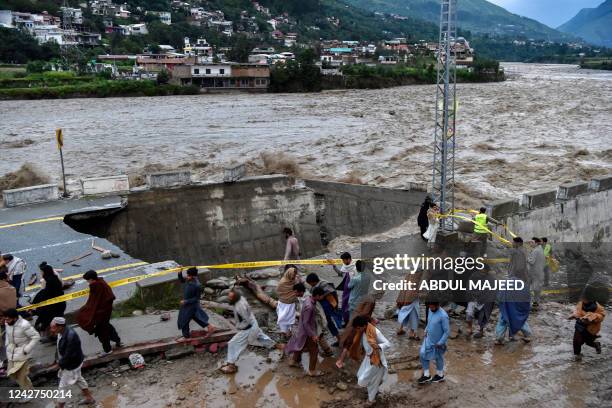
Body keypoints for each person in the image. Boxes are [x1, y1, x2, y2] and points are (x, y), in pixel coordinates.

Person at [220, 288, 279, 374]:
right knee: (260, 336)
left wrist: (240, 328)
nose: (229, 299)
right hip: (253, 323)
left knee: (233, 343)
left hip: (249, 327)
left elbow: (246, 321)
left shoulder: (240, 306)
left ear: (235, 297)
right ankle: (276, 345)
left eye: (230, 298)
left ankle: (231, 366)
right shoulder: (241, 299)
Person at [50, 317, 95, 406]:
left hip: (71, 364)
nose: (51, 330)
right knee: (78, 379)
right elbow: (59, 348)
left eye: (53, 327)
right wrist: (56, 360)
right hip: (72, 361)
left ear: (60, 327)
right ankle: (89, 398)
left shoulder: (71, 336)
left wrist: (59, 364)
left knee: (62, 387)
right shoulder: (61, 333)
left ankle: (60, 406)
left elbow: (69, 355)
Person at [76, 270, 122, 356]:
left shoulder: (96, 287)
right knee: (107, 327)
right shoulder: (102, 283)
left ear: (92, 279)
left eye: (88, 280)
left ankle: (107, 350)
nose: (88, 283)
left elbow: (94, 302)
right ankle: (117, 341)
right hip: (105, 312)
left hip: (101, 313)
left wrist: (94, 313)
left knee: (102, 331)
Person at [495, 237, 532, 344]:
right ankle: (525, 334)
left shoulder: (518, 253)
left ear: (518, 243)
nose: (511, 243)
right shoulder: (521, 253)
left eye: (513, 242)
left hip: (515, 284)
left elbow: (518, 269)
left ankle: (500, 337)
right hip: (518, 284)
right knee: (515, 313)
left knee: (506, 312)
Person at [285, 286, 326, 377]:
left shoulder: (308, 300)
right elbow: (306, 322)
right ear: (318, 296)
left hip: (303, 331)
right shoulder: (310, 306)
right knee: (314, 350)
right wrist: (313, 335)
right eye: (322, 296)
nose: (323, 297)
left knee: (300, 346)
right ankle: (312, 371)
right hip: (308, 332)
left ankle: (293, 361)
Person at [351, 315, 391, 403]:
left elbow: (388, 344)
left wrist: (378, 347)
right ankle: (374, 391)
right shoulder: (364, 331)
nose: (357, 331)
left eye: (358, 328)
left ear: (364, 326)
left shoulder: (375, 332)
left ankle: (371, 400)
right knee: (360, 375)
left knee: (368, 381)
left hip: (376, 360)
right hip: (368, 358)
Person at [336, 295, 377, 369]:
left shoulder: (366, 297)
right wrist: (372, 320)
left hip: (354, 320)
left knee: (349, 341)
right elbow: (365, 313)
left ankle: (342, 360)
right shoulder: (371, 301)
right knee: (351, 342)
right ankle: (341, 361)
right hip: (358, 323)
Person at [4, 308, 39, 389]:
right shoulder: (7, 324)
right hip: (11, 353)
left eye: (8, 319)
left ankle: (28, 392)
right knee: (12, 374)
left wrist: (27, 349)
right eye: (5, 319)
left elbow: (36, 336)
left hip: (22, 354)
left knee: (21, 376)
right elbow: (7, 335)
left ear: (15, 318)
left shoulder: (24, 325)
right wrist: (7, 344)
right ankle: (29, 388)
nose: (6, 321)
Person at [31, 262, 66, 342]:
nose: (41, 273)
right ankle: (52, 336)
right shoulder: (53, 278)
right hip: (57, 304)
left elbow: (46, 293)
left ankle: (53, 337)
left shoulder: (49, 281)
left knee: (49, 320)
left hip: (54, 306)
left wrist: (35, 303)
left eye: (42, 272)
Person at [177, 267, 214, 340]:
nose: (187, 277)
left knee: (184, 319)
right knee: (197, 318)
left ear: (193, 276)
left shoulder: (197, 285)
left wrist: (185, 301)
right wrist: (179, 272)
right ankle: (210, 327)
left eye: (188, 275)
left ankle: (186, 336)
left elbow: (196, 298)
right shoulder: (189, 279)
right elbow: (181, 280)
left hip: (191, 305)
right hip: (187, 305)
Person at [305, 273, 342, 346]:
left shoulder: (323, 284)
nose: (311, 285)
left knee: (329, 322)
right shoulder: (316, 285)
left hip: (327, 306)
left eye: (311, 283)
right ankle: (339, 338)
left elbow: (332, 291)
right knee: (328, 323)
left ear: (313, 281)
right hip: (323, 306)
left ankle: (339, 339)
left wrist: (323, 297)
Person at [418, 302, 449, 384]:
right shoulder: (430, 309)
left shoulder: (443, 316)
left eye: (433, 307)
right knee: (422, 353)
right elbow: (429, 321)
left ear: (438, 305)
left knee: (438, 357)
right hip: (429, 338)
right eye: (430, 307)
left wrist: (440, 342)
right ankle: (427, 375)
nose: (431, 309)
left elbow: (447, 332)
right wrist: (426, 330)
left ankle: (440, 375)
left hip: (439, 342)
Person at [568, 291, 606, 360]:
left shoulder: (597, 307)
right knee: (576, 340)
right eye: (582, 297)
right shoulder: (580, 303)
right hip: (579, 324)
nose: (582, 299)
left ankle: (596, 345)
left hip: (590, 328)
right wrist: (574, 315)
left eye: (584, 298)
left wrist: (592, 317)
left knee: (588, 342)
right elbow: (577, 312)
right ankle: (577, 355)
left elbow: (602, 316)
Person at [276, 265, 302, 337]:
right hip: (283, 304)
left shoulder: (294, 280)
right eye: (293, 275)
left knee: (290, 319)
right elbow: (279, 292)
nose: (294, 277)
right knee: (283, 319)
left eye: (294, 275)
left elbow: (297, 290)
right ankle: (284, 333)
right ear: (289, 274)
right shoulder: (282, 283)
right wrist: (286, 297)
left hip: (291, 304)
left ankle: (289, 333)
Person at [333, 252, 357, 325]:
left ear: (349, 259)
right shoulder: (345, 266)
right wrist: (334, 266)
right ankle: (346, 321)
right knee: (344, 304)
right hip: (346, 290)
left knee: (352, 306)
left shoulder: (355, 267)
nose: (343, 262)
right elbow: (340, 273)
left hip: (353, 290)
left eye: (344, 260)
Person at [396, 271, 422, 339]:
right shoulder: (419, 275)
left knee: (404, 311)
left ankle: (401, 328)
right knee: (414, 314)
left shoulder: (408, 274)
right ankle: (412, 333)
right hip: (412, 298)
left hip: (404, 297)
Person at [527, 237, 545, 309]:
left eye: (532, 242)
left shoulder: (535, 251)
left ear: (536, 243)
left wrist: (526, 258)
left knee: (532, 287)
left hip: (534, 272)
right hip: (539, 271)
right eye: (530, 242)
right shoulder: (540, 249)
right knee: (536, 288)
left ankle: (530, 302)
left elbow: (531, 261)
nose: (530, 243)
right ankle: (536, 302)